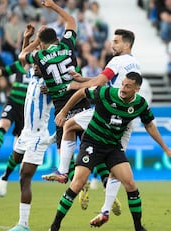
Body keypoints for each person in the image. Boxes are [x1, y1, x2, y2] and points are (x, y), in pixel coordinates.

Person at [48, 72, 171, 231]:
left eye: (128, 86)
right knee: (77, 183)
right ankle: (54, 227)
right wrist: (63, 112)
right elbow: (82, 92)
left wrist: (166, 149)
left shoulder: (140, 104)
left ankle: (139, 229)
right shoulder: (106, 93)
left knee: (130, 184)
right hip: (92, 143)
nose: (123, 89)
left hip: (112, 147)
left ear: (137, 89)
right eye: (123, 84)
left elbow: (149, 125)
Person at [42, 28, 145, 216]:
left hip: (108, 110)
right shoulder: (134, 64)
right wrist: (84, 79)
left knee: (69, 125)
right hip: (126, 119)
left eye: (116, 42)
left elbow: (100, 84)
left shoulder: (117, 61)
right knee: (116, 163)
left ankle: (63, 171)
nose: (112, 45)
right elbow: (108, 81)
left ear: (126, 44)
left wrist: (74, 86)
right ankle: (105, 209)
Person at [18, 0, 90, 162]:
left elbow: (22, 56)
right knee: (88, 145)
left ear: (42, 44)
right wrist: (53, 6)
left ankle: (68, 177)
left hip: (61, 107)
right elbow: (71, 20)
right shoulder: (66, 45)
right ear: (56, 38)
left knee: (63, 150)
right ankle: (101, 177)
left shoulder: (40, 56)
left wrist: (35, 41)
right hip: (80, 99)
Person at [4, 63, 54, 231]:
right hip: (26, 133)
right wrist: (28, 38)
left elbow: (63, 94)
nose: (34, 66)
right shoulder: (33, 77)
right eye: (33, 64)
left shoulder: (50, 84)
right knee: (15, 158)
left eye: (37, 65)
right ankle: (3, 178)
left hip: (37, 137)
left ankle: (23, 224)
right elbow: (23, 56)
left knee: (24, 178)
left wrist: (54, 91)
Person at [0, 25, 35, 197]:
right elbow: (0, 72)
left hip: (27, 111)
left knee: (18, 153)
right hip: (13, 102)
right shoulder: (19, 66)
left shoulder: (41, 70)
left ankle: (4, 177)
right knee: (3, 125)